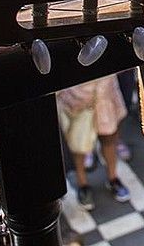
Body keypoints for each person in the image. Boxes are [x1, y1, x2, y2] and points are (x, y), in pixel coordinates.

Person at [56, 77, 131, 211]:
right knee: (79, 146)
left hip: (106, 91)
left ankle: (113, 179)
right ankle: (83, 185)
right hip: (77, 94)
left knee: (109, 139)